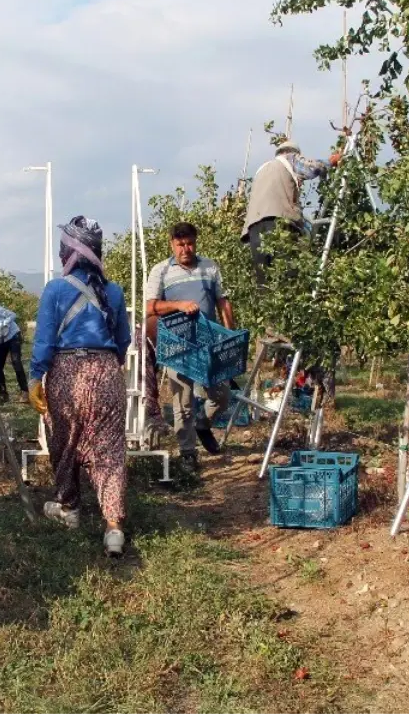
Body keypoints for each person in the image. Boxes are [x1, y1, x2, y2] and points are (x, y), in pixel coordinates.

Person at [28, 216, 131, 556]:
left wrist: (34, 378)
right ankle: (114, 527)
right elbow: (123, 340)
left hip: (67, 373)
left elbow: (43, 340)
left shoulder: (56, 290)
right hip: (105, 373)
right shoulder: (113, 291)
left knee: (65, 440)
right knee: (110, 450)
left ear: (70, 253)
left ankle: (69, 507)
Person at [143, 222, 236, 467]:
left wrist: (229, 334)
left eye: (190, 243)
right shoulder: (161, 271)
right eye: (180, 244)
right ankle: (187, 453)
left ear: (195, 242)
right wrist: (179, 305)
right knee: (182, 402)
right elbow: (149, 307)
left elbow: (222, 302)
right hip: (177, 344)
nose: (186, 248)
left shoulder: (209, 267)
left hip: (207, 343)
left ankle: (203, 423)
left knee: (222, 394)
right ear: (172, 244)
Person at [242, 138, 341, 287]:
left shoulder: (262, 169)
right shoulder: (289, 159)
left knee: (264, 280)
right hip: (277, 223)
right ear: (290, 152)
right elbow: (311, 168)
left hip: (254, 229)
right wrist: (331, 161)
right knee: (289, 277)